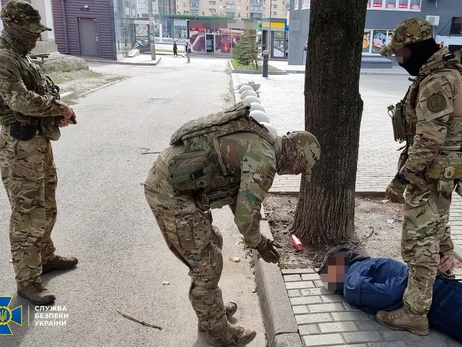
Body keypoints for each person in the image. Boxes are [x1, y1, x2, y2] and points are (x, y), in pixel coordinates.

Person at [144, 101, 320, 346]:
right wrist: (258, 242)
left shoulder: (264, 139)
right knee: (207, 264)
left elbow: (239, 197)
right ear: (296, 155)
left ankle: (210, 313)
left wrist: (254, 238)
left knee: (213, 240)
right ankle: (220, 334)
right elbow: (246, 214)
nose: (296, 173)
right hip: (169, 191)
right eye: (301, 168)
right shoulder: (265, 159)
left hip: (182, 186)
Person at [379, 17, 462, 335]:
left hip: (428, 174)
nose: (400, 61)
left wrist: (402, 179)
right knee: (437, 230)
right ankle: (443, 282)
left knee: (418, 243)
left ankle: (415, 312)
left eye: (400, 54)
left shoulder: (437, 81)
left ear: (412, 49)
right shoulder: (445, 73)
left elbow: (429, 139)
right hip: (442, 174)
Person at [0, 0, 78, 305]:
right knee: (26, 213)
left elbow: (42, 91)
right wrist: (60, 108)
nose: (36, 37)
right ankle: (27, 280)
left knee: (46, 203)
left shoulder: (21, 55)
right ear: (14, 27)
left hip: (38, 142)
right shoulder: (4, 57)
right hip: (20, 146)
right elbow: (20, 100)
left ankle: (45, 256)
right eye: (32, 31)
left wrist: (55, 112)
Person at [318, 246, 462, 343]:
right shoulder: (358, 276)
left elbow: (388, 293)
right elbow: (389, 292)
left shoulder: (354, 279)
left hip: (439, 294)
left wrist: (423, 272)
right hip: (440, 293)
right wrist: (422, 272)